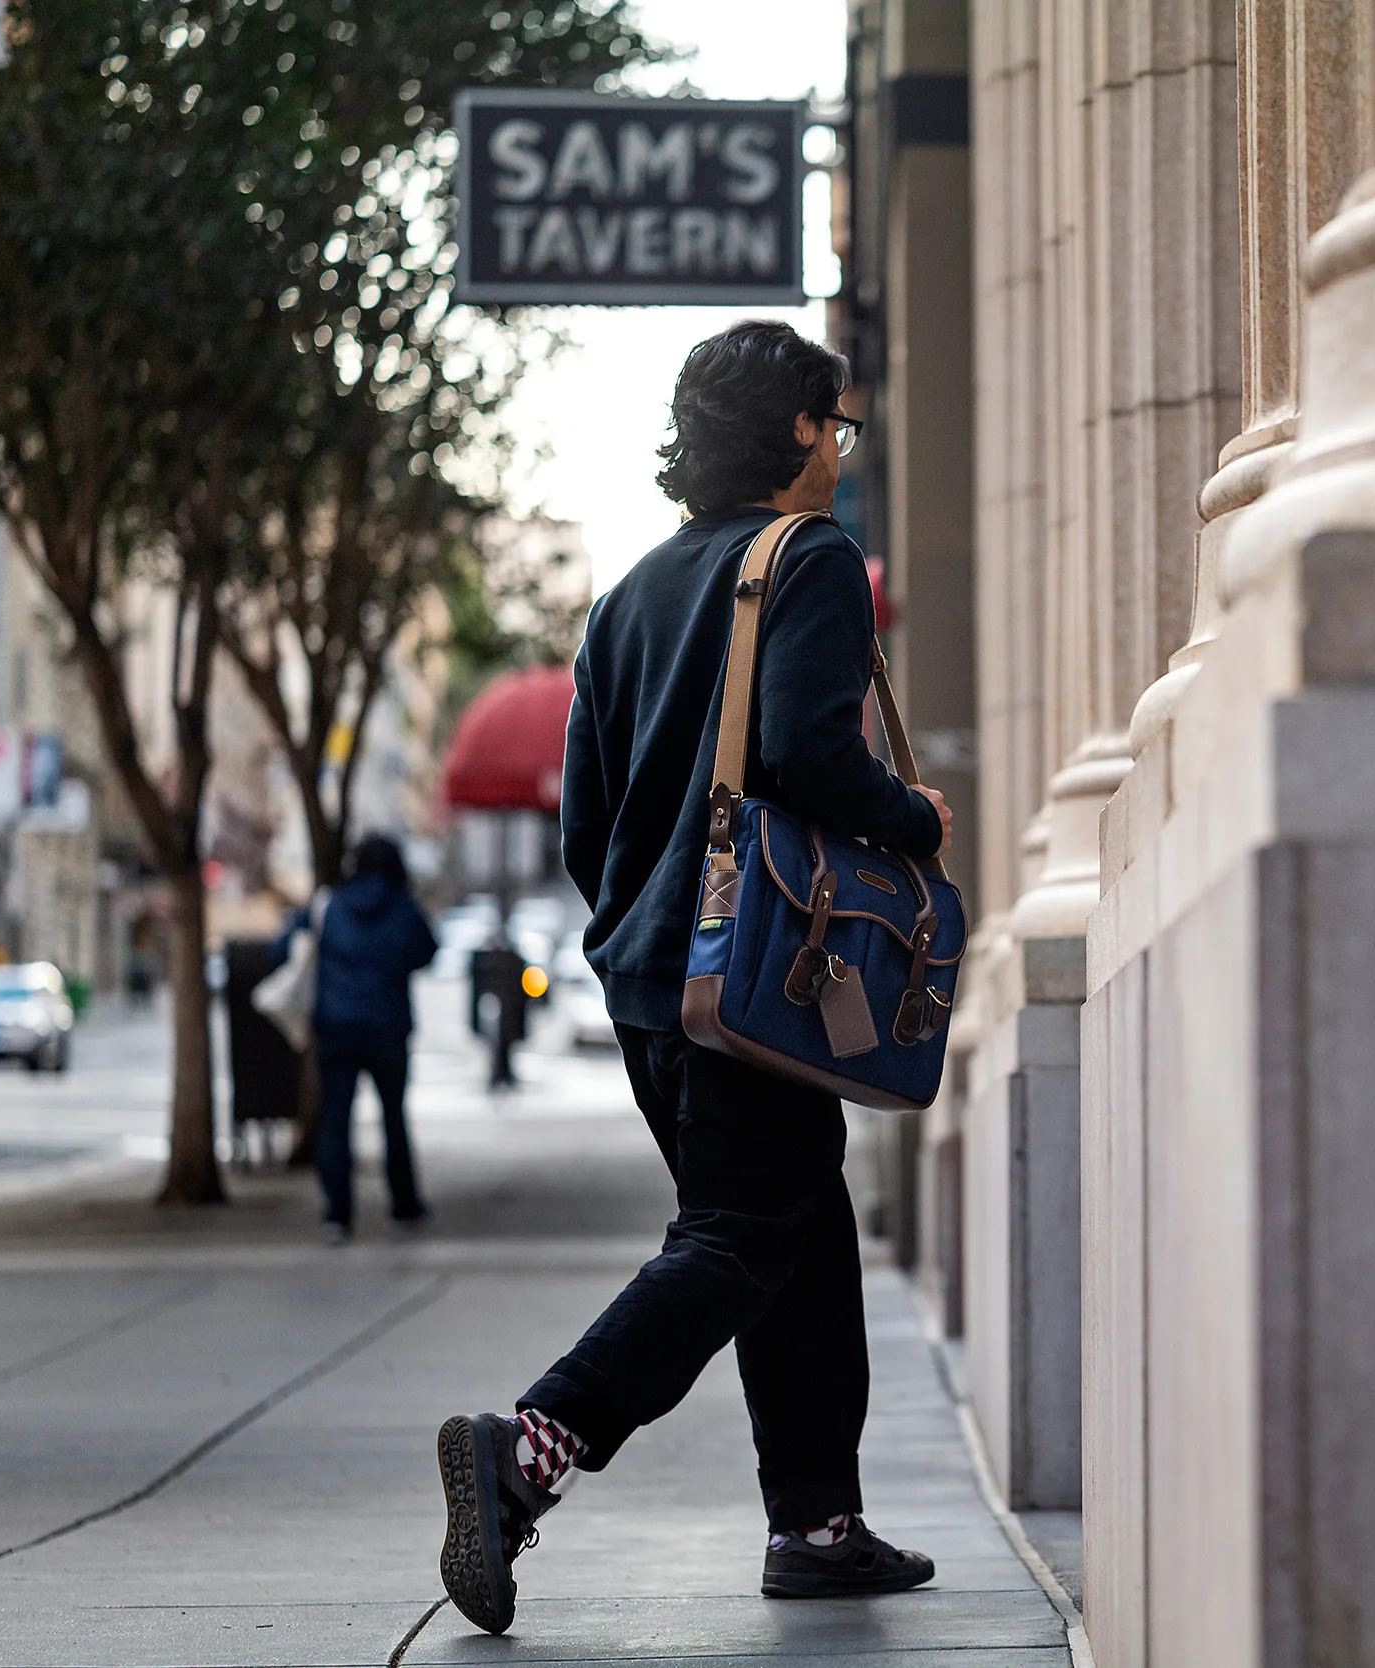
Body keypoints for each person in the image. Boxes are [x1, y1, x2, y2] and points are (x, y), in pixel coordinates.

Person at [434, 320, 954, 1635]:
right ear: (794, 431)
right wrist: (915, 818)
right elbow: (805, 755)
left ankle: (818, 1526)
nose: (840, 452)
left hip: (656, 983)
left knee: (798, 1234)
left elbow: (586, 828)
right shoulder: (814, 560)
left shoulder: (631, 595)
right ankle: (526, 1454)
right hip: (760, 979)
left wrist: (642, 937)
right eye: (832, 428)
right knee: (735, 1238)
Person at [286, 834, 440, 1242]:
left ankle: (337, 1215)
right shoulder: (403, 907)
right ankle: (403, 1205)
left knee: (336, 1120)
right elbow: (427, 951)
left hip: (335, 1028)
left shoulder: (328, 906)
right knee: (393, 1117)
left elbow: (284, 944)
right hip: (388, 1028)